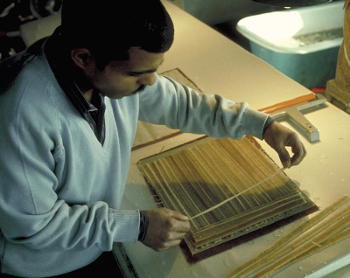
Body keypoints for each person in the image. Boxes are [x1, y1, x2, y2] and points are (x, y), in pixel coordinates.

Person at [0, 0, 306, 277]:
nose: (150, 83)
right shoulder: (21, 114)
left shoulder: (110, 72)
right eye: (137, 74)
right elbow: (31, 228)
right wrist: (138, 226)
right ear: (83, 57)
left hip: (95, 244)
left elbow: (182, 105)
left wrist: (263, 125)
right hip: (45, 267)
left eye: (153, 71)